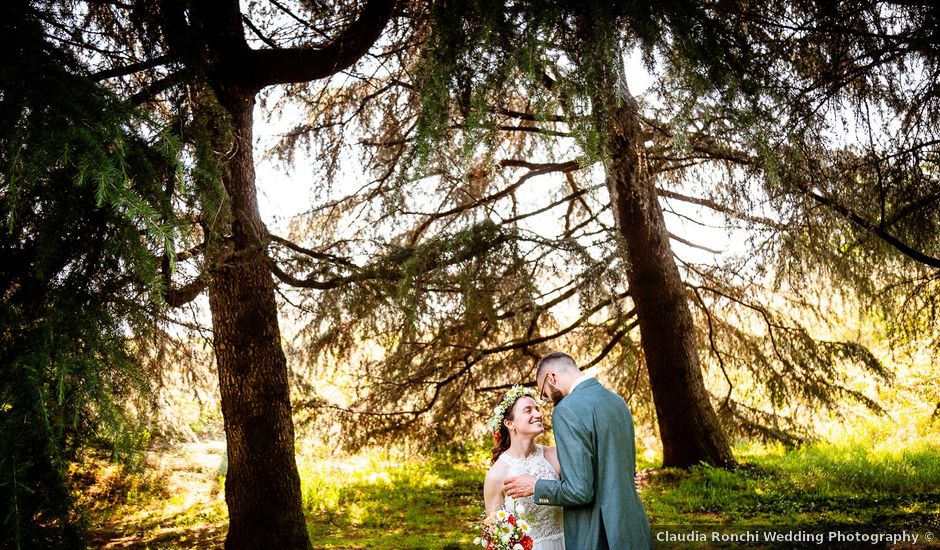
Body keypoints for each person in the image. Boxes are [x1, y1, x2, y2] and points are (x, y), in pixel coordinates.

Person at [504, 352, 654, 550]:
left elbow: (579, 492)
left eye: (544, 392)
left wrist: (536, 486)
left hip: (599, 535)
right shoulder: (618, 402)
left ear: (551, 378)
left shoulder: (567, 409)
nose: (548, 400)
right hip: (633, 528)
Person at [482, 386, 565, 549]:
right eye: (528, 410)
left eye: (537, 409)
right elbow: (496, 536)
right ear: (509, 423)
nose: (538, 415)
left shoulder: (556, 456)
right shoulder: (497, 474)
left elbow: (578, 493)